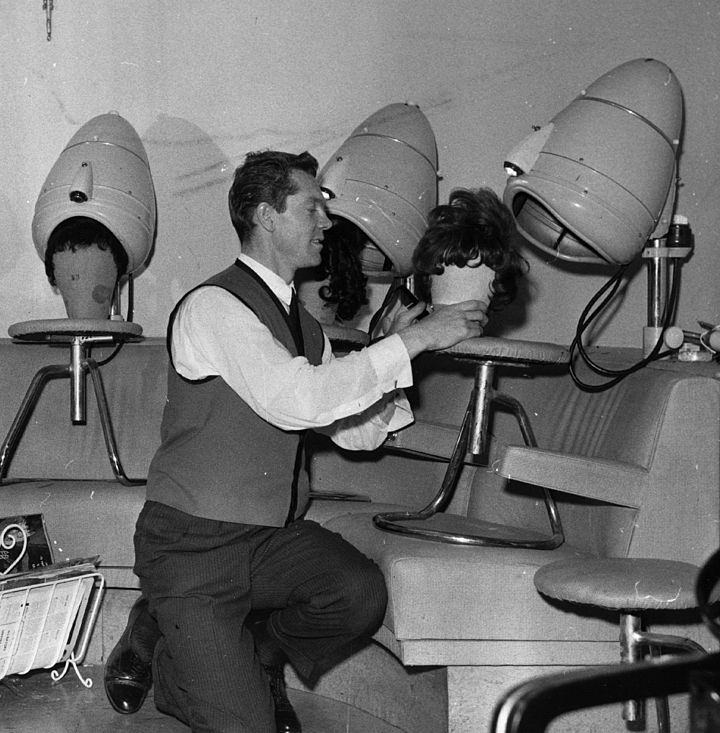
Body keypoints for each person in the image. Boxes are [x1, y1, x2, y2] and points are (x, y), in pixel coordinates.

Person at [108, 150, 487, 732]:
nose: (327, 223)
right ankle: (168, 649)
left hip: (266, 541)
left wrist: (403, 348)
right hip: (193, 547)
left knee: (358, 594)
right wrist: (410, 347)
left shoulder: (303, 325)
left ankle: (255, 654)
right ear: (265, 216)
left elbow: (357, 432)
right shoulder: (213, 306)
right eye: (312, 207)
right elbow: (298, 400)